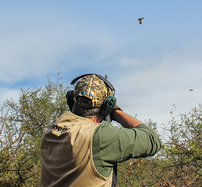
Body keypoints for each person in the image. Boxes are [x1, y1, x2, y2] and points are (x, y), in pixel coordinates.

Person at [40, 74, 161, 187]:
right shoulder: (99, 136)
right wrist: (116, 112)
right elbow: (152, 140)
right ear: (108, 105)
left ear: (72, 99)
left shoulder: (50, 131)